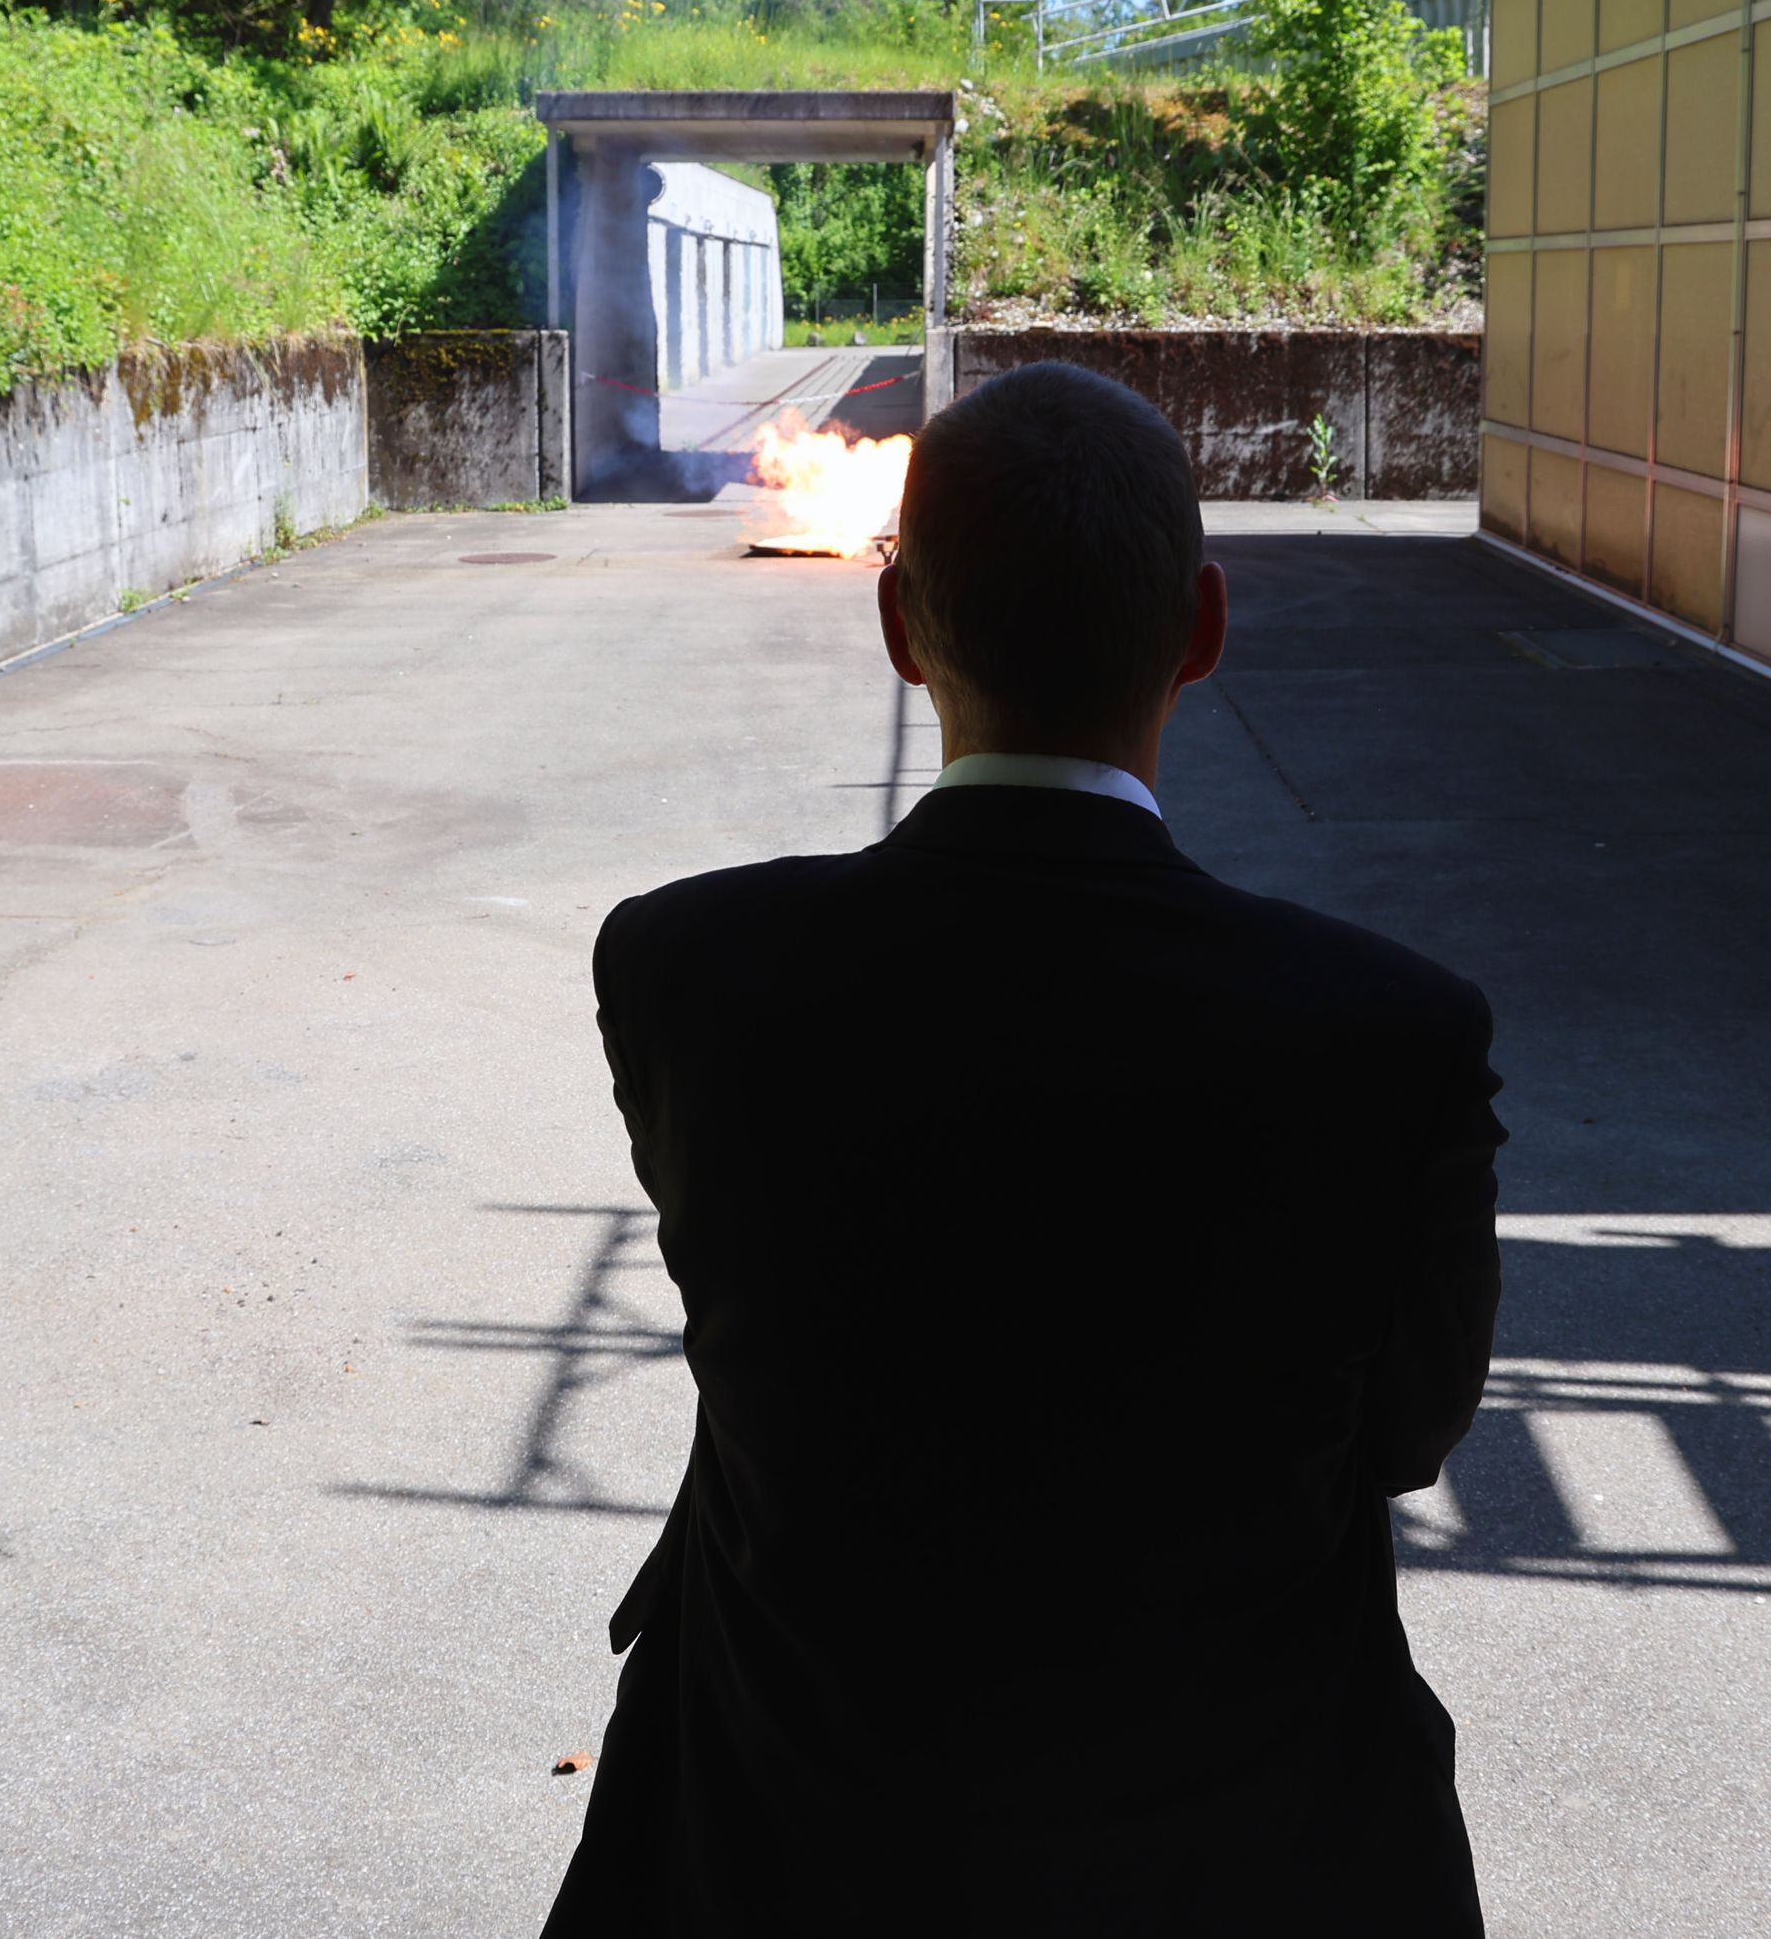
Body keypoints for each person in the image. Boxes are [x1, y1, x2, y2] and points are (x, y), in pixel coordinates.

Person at [541, 362, 1506, 1936]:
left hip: (785, 1831)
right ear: (1200, 630)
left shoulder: (686, 967)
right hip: (1243, 1840)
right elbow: (1401, 1433)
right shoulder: (1388, 1032)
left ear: (898, 625)